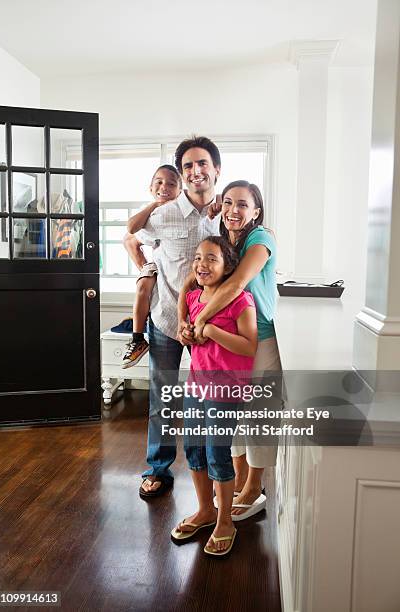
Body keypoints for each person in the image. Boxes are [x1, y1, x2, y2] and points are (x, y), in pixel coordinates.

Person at [124, 136, 222, 498]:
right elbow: (130, 234)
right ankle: (159, 469)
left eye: (202, 164)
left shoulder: (224, 215)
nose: (196, 171)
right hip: (166, 320)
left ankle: (212, 472)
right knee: (162, 399)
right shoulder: (162, 214)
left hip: (208, 326)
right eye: (188, 166)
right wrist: (145, 270)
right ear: (183, 174)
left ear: (216, 169)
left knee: (208, 400)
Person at [178, 180, 281, 520]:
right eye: (228, 203)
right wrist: (186, 321)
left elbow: (237, 284)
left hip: (260, 337)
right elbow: (191, 283)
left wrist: (200, 321)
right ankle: (236, 479)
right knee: (229, 414)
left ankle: (254, 486)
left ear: (256, 211)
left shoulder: (260, 238)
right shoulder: (225, 242)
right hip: (222, 343)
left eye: (242, 204)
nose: (233, 210)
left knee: (257, 415)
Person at [171, 236, 257, 555]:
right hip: (196, 383)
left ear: (227, 266)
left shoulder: (240, 299)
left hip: (225, 388)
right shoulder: (194, 297)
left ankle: (225, 522)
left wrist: (211, 331)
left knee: (217, 452)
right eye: (197, 258)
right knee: (193, 448)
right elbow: (192, 341)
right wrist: (187, 333)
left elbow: (249, 346)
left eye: (211, 258)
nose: (202, 264)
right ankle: (205, 510)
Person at [122, 165, 182, 368]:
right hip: (155, 264)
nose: (164, 186)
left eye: (171, 183)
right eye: (159, 182)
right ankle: (138, 339)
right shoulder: (150, 213)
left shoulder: (184, 213)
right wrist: (145, 268)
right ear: (150, 187)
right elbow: (129, 235)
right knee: (143, 286)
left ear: (180, 191)